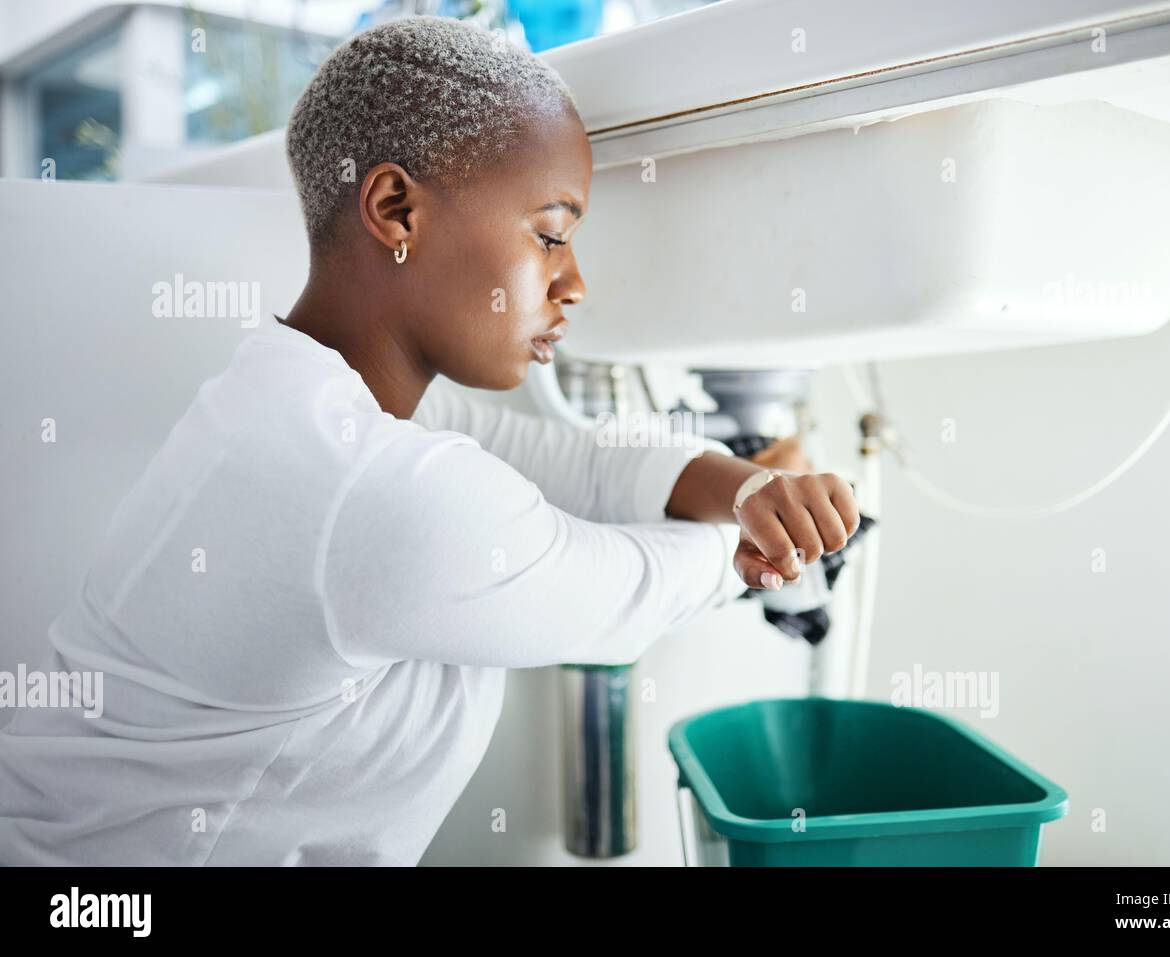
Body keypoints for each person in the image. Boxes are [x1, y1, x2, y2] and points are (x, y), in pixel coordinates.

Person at [0, 16, 857, 866]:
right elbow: (619, 596)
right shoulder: (363, 483)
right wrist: (752, 545)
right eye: (551, 233)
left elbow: (585, 467)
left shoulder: (295, 396)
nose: (575, 281)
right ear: (395, 210)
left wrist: (751, 489)